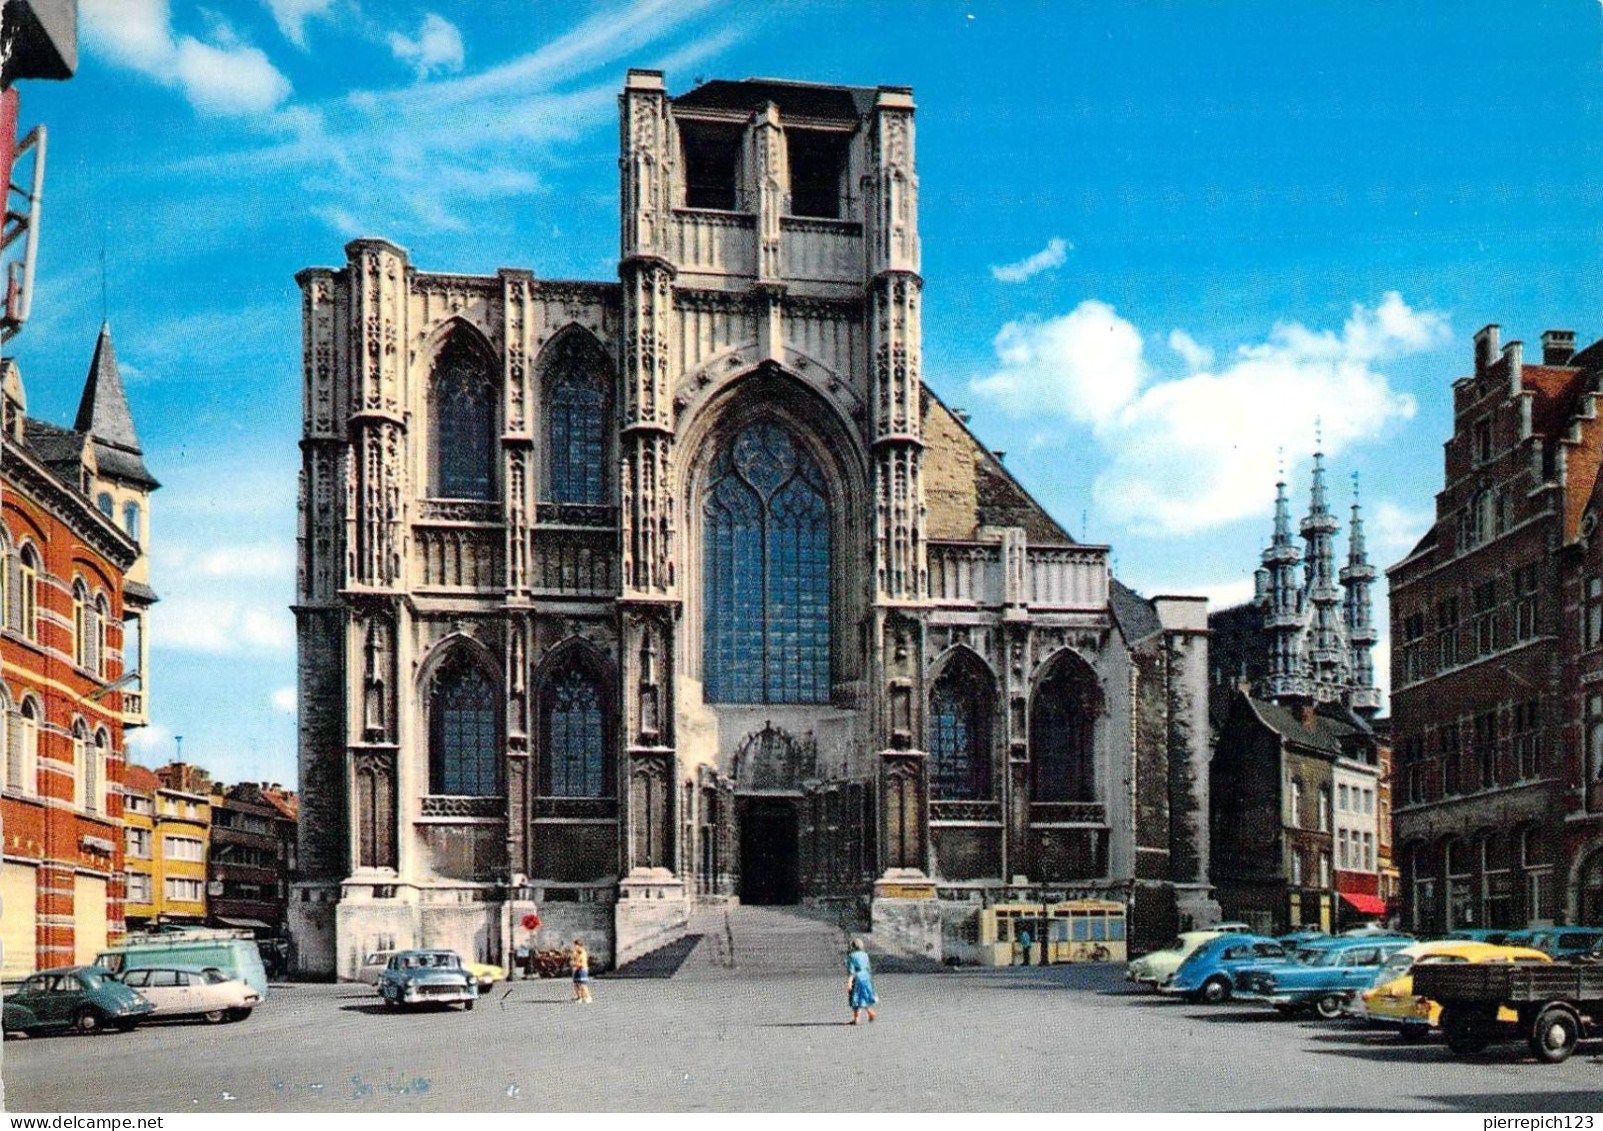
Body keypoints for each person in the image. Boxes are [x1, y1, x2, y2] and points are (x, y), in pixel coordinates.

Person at [846, 938, 877, 1025]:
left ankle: (857, 1018)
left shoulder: (852, 956)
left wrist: (849, 982)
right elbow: (868, 967)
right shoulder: (865, 955)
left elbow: (851, 971)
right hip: (866, 976)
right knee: (863, 996)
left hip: (858, 977)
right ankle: (870, 1013)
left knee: (855, 997)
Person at [571, 937, 592, 1003]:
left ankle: (588, 997)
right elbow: (573, 960)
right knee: (576, 984)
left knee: (583, 985)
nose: (575, 947)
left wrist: (575, 963)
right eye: (574, 945)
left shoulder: (582, 953)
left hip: (582, 970)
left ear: (579, 946)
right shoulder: (576, 953)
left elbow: (582, 963)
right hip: (577, 969)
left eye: (576, 945)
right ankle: (579, 997)